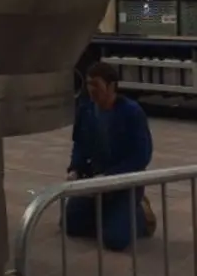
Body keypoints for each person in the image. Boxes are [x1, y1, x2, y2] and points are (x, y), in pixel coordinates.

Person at [65, 60, 157, 251]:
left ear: (111, 86)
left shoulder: (131, 113)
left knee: (115, 240)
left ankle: (141, 215)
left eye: (96, 85)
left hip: (123, 183)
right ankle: (110, 215)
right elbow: (80, 144)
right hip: (95, 180)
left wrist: (111, 177)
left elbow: (142, 155)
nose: (92, 90)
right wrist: (75, 168)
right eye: (89, 85)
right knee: (70, 224)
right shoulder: (86, 110)